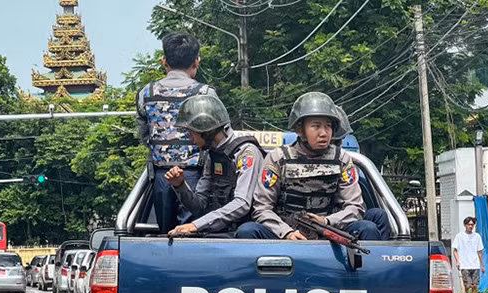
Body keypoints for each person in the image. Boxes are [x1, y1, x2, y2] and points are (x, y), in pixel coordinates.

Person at [236, 92, 390, 240]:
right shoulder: (278, 158)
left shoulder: (342, 158)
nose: (323, 133)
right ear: (299, 129)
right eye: (316, 126)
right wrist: (286, 232)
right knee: (247, 231)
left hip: (330, 232)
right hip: (284, 235)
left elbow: (355, 206)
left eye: (328, 126)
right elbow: (262, 208)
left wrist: (326, 222)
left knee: (368, 228)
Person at [136, 32, 216, 233]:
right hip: (196, 176)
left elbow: (145, 136)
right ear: (196, 61)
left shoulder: (146, 93)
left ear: (164, 61)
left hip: (161, 176)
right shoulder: (205, 94)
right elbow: (216, 137)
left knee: (166, 236)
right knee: (193, 233)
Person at [164, 95, 264, 235]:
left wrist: (196, 226)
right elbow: (199, 207)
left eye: (191, 132)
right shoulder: (212, 156)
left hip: (244, 238)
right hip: (219, 235)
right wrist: (180, 186)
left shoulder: (246, 153)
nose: (190, 138)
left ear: (206, 130)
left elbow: (243, 203)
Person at [452, 217, 485, 293]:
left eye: (472, 225)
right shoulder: (459, 236)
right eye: (469, 224)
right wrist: (457, 261)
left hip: (475, 264)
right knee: (467, 285)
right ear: (465, 225)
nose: (470, 226)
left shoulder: (477, 236)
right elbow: (455, 250)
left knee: (474, 286)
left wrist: (482, 265)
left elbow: (479, 252)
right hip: (464, 264)